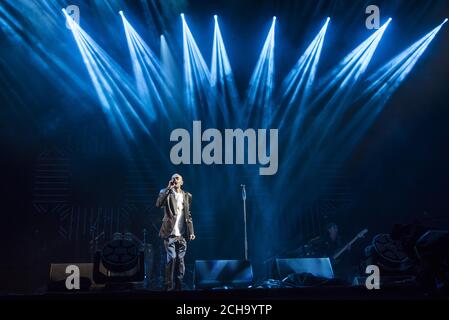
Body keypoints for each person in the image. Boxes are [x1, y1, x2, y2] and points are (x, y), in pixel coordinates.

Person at [156, 173, 195, 290]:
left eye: (177, 178)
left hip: (182, 234)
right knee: (172, 258)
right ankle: (169, 285)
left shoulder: (187, 196)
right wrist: (168, 188)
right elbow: (158, 204)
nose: (174, 180)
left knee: (181, 261)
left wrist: (191, 231)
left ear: (182, 182)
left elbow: (188, 215)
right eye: (173, 178)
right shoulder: (165, 192)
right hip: (169, 233)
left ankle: (179, 285)